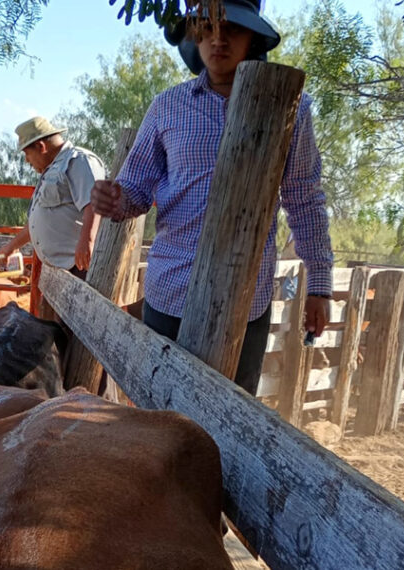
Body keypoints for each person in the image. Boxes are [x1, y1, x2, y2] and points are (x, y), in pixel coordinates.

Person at [90, 0, 334, 396]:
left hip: (244, 301)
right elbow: (135, 189)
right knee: (157, 418)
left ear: (252, 36)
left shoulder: (289, 107)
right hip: (170, 293)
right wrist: (113, 200)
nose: (218, 39)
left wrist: (320, 286)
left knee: (232, 426)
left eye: (232, 29)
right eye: (207, 28)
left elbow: (304, 198)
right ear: (193, 35)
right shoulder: (167, 107)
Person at [0, 116, 106, 281]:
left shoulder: (78, 161)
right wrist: (12, 246)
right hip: (60, 269)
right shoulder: (52, 170)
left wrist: (87, 241)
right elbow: (40, 220)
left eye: (27, 154)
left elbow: (95, 202)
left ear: (41, 146)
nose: (27, 161)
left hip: (80, 266)